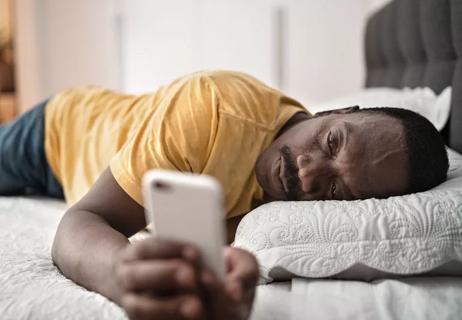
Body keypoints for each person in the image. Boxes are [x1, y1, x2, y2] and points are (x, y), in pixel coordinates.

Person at [0, 70, 448, 319]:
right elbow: (83, 222)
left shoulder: (294, 212)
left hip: (81, 169)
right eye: (333, 141)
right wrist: (120, 273)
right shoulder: (212, 111)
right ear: (335, 112)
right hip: (57, 134)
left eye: (337, 188)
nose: (310, 172)